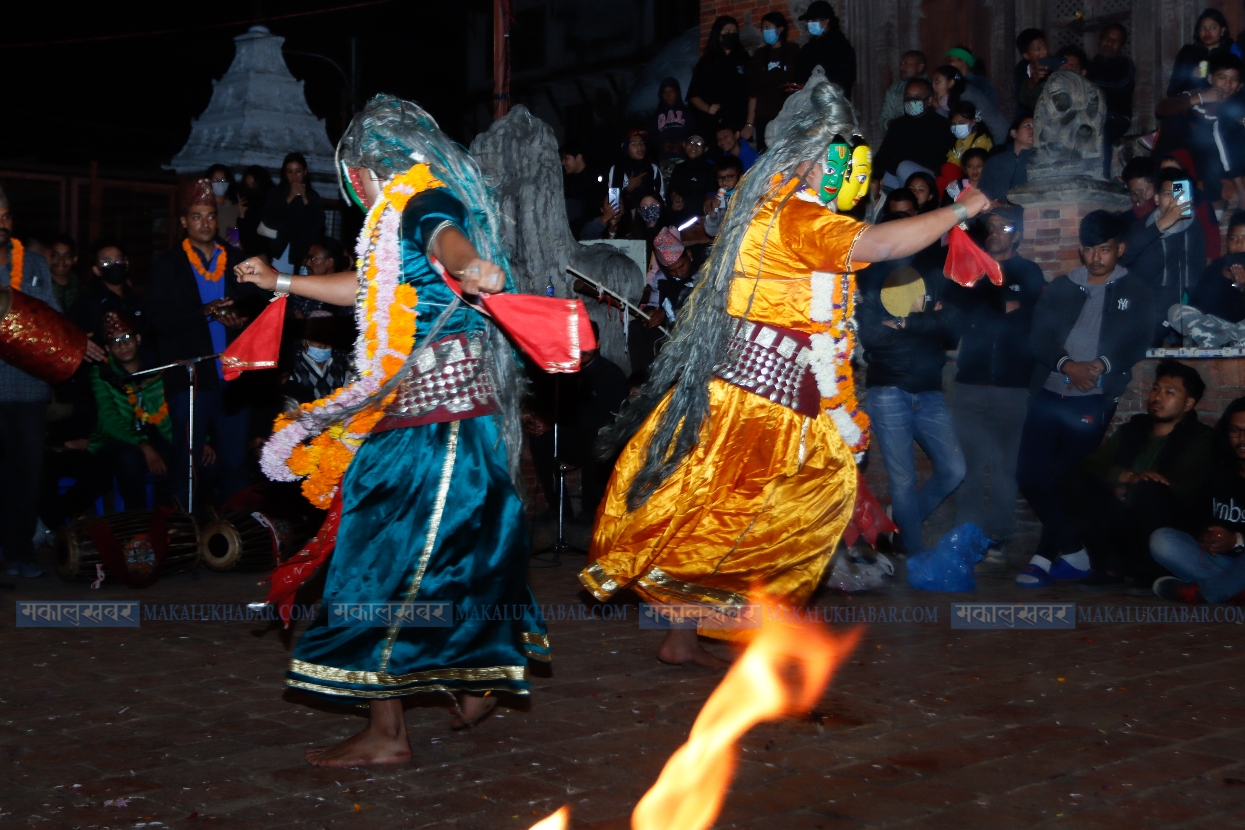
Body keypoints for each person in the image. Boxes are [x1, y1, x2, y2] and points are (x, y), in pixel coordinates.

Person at [582, 76, 993, 667]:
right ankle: (744, 630)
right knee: (761, 511)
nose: (848, 170)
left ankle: (692, 635)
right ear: (805, 160)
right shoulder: (796, 217)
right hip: (759, 401)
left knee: (756, 511)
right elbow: (876, 246)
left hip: (780, 391)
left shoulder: (782, 208)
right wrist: (960, 208)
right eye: (837, 157)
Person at [234, 95, 549, 762]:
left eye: (351, 176)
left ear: (366, 169)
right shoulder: (393, 221)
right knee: (451, 555)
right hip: (430, 418)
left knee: (371, 564)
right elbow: (370, 289)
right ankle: (475, 671)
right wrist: (284, 281)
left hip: (435, 425)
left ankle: (391, 732)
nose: (353, 190)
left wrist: (469, 266)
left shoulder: (418, 200)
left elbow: (445, 237)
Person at [1015, 210, 1155, 587]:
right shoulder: (1062, 286)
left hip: (1093, 399)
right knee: (1028, 475)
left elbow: (1139, 339)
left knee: (1066, 478)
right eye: (1090, 249)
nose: (1097, 257)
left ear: (1120, 249)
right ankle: (1075, 552)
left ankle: (1043, 558)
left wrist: (1100, 365)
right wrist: (1067, 365)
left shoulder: (1136, 290)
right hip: (1050, 391)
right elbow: (1038, 338)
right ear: (1081, 249)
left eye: (1105, 249)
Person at [144, 179, 263, 508]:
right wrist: (203, 312)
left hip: (233, 380)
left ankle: (233, 542)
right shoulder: (168, 266)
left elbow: (258, 304)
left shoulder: (237, 259)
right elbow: (156, 321)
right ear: (183, 222)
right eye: (196, 217)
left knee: (236, 464)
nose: (205, 223)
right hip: (190, 382)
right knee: (187, 463)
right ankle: (184, 538)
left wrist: (239, 317)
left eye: (210, 216)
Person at [944, 208, 1045, 554]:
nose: (996, 233)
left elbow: (1023, 316)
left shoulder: (1028, 271)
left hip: (1012, 387)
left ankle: (998, 537)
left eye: (1004, 227)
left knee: (1005, 466)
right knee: (967, 466)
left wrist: (991, 308)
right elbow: (961, 313)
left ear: (1017, 235)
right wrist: (997, 307)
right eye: (991, 227)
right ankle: (966, 536)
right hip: (971, 382)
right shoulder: (974, 269)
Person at [1065, 360, 1213, 592]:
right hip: (1123, 517)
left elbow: (1181, 486)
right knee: (1073, 477)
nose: (1158, 397)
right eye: (1155, 388)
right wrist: (1124, 477)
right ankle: (1110, 568)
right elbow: (1092, 462)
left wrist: (1137, 485)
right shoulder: (1133, 429)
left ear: (1188, 403)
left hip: (1169, 524)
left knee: (1150, 486)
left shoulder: (1201, 439)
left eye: (1169, 392)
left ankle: (1152, 572)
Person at [858, 267, 964, 554]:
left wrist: (902, 322)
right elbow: (871, 335)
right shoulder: (873, 278)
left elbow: (953, 325)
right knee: (903, 478)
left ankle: (902, 520)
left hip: (930, 393)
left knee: (954, 470)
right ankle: (915, 554)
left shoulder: (934, 275)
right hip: (888, 390)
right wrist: (929, 321)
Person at [0, 186, 57, 577]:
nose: (1, 223)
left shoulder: (34, 264)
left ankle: (20, 553)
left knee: (27, 472)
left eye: (5, 215)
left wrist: (75, 342)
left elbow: (53, 316)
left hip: (30, 389)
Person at [1150, 396, 1245, 604]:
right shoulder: (1220, 473)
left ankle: (1204, 593)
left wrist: (1236, 540)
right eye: (1235, 431)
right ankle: (1232, 591)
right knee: (1162, 540)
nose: (1241, 439)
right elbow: (1196, 516)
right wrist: (1206, 537)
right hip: (1221, 563)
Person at [88, 311, 175, 512]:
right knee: (129, 458)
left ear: (138, 339)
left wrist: (196, 442)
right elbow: (108, 421)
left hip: (157, 436)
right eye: (115, 341)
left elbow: (172, 413)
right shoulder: (102, 374)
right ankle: (139, 525)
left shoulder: (156, 368)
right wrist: (143, 445)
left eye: (127, 338)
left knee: (194, 457)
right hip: (117, 442)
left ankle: (170, 524)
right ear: (108, 348)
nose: (122, 345)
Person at [1120, 167, 1207, 345]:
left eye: (1181, 194)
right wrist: (1161, 225)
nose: (1175, 201)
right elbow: (1123, 257)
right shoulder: (1141, 228)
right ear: (1157, 198)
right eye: (1168, 194)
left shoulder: (1194, 229)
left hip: (1181, 313)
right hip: (1144, 315)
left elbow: (1197, 273)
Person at [1156, 51, 1243, 204]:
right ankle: (1174, 199)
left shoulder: (1239, 103)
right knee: (1173, 122)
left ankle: (1215, 208)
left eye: (1233, 79)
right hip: (1190, 151)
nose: (1228, 84)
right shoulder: (1200, 93)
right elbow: (1161, 109)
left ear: (1240, 85)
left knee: (1215, 142)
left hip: (1220, 160)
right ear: (1210, 78)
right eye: (1222, 78)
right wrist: (1200, 98)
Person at [571, 320, 629, 522]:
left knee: (593, 440)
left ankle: (590, 509)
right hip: (572, 435)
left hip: (600, 438)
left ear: (598, 343)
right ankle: (556, 508)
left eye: (587, 342)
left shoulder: (611, 373)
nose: (582, 349)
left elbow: (619, 415)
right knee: (541, 439)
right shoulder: (568, 374)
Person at [874, 79, 954, 187]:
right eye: (908, 97)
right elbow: (882, 156)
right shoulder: (898, 124)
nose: (911, 100)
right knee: (876, 178)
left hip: (926, 179)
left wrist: (898, 161)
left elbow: (936, 159)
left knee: (904, 168)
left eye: (917, 97)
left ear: (929, 100)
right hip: (898, 176)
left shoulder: (940, 124)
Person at [68, 239, 146, 345]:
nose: (115, 265)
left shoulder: (136, 298)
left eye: (119, 260)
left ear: (126, 264)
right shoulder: (87, 303)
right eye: (107, 262)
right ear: (96, 270)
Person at [258, 152, 325, 273]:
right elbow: (269, 220)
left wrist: (305, 199)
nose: (294, 176)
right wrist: (289, 198)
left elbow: (317, 225)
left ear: (305, 171)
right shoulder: (276, 193)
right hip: (277, 251)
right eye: (290, 171)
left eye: (298, 171)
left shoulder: (312, 196)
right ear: (285, 173)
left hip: (302, 254)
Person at [744, 12, 801, 150]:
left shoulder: (793, 51)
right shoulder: (759, 55)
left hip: (788, 115)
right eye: (763, 29)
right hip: (764, 116)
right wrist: (749, 123)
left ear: (780, 28)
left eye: (768, 27)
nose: (765, 31)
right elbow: (753, 92)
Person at [687, 16, 749, 139]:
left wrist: (749, 123)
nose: (731, 35)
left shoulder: (744, 59)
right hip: (713, 125)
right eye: (727, 32)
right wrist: (708, 108)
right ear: (718, 35)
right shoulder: (707, 62)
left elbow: (753, 93)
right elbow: (693, 95)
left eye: (734, 32)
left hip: (738, 125)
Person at [931, 64, 1008, 147]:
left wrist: (937, 107)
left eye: (937, 81)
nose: (933, 85)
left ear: (951, 83)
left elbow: (957, 121)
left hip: (996, 137)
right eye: (932, 81)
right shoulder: (955, 95)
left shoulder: (966, 95)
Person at [281, 312, 350, 404]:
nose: (322, 345)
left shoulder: (342, 373)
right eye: (317, 339)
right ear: (304, 341)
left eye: (327, 339)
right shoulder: (291, 373)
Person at [1190, 211, 1245, 322]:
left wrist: (1242, 287)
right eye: (1233, 238)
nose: (1238, 244)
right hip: (1210, 329)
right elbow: (1198, 303)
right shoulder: (1218, 265)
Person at [1087, 24, 1136, 147]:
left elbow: (1120, 87)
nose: (1110, 43)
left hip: (1116, 116)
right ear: (1099, 40)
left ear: (1121, 47)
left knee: (1103, 134)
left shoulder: (1125, 64)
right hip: (1091, 116)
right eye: (1107, 38)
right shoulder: (1090, 64)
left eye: (1116, 41)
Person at [794, 1, 856, 97]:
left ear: (827, 20)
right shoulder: (808, 48)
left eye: (814, 20)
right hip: (806, 104)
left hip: (831, 103)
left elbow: (845, 79)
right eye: (808, 21)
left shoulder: (840, 46)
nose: (810, 24)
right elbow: (798, 75)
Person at [977, 115, 1034, 202]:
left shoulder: (1039, 162)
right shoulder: (995, 162)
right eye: (1028, 126)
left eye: (1036, 127)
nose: (1032, 131)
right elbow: (984, 191)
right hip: (995, 210)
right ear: (1014, 133)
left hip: (1026, 212)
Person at [607, 130, 664, 211]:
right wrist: (628, 189)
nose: (640, 147)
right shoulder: (617, 169)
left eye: (642, 143)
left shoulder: (653, 168)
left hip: (648, 214)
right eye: (634, 144)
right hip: (625, 216)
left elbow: (661, 195)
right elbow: (613, 200)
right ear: (626, 148)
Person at [879, 51, 927, 134]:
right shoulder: (894, 89)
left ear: (920, 67)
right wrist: (896, 124)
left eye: (906, 63)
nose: (902, 67)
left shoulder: (932, 86)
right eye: (901, 64)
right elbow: (883, 119)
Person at [561, 143, 602, 238]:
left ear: (578, 158)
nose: (562, 163)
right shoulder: (564, 179)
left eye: (566, 158)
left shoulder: (595, 179)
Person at [669, 135, 716, 210]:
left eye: (699, 143)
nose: (694, 146)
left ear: (705, 149)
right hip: (679, 215)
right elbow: (670, 190)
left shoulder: (711, 169)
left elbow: (714, 193)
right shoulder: (678, 168)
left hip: (701, 216)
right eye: (691, 142)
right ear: (684, 145)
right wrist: (673, 196)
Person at [236, 165, 273, 257]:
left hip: (269, 256)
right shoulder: (247, 203)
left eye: (254, 185)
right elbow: (245, 235)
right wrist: (241, 215)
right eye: (248, 186)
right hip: (249, 255)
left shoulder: (272, 201)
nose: (252, 189)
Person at [1013, 28, 1052, 116]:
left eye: (1045, 46)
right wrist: (1033, 82)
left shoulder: (1055, 67)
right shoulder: (1020, 70)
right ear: (1026, 55)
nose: (1045, 51)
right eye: (1038, 49)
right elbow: (1022, 100)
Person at [650, 78, 690, 162]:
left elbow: (692, 132)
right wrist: (661, 145)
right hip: (664, 159)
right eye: (665, 93)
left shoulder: (687, 112)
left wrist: (682, 144)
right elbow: (652, 135)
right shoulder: (656, 115)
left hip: (684, 158)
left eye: (671, 92)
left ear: (677, 93)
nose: (668, 96)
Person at [703, 157, 742, 237]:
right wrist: (713, 211)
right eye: (720, 178)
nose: (724, 182)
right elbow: (711, 232)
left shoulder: (746, 196)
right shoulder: (720, 199)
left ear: (741, 177)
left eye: (729, 177)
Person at [46, 234, 83, 314]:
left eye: (67, 256)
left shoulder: (80, 288)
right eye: (55, 256)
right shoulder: (41, 285)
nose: (61, 261)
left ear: (74, 259)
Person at [207, 163, 241, 248]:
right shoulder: (204, 207)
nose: (220, 184)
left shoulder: (235, 207)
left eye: (223, 180)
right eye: (215, 180)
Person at [1119, 156, 1158, 228]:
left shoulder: (1170, 212)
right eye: (1133, 193)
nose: (1138, 198)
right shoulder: (1125, 221)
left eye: (1141, 191)